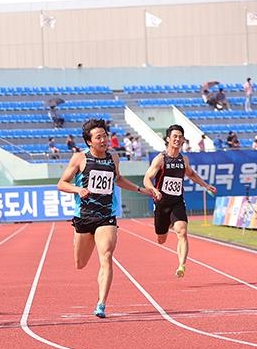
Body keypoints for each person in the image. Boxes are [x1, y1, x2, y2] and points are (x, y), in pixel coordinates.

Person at [56, 119, 153, 319]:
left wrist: (141, 189)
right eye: (98, 137)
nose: (104, 140)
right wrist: (77, 189)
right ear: (89, 141)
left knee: (106, 255)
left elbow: (117, 179)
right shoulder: (79, 158)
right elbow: (61, 183)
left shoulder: (113, 157)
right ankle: (84, 250)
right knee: (80, 263)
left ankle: (101, 303)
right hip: (83, 216)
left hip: (106, 216)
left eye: (105, 136)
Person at [143, 125, 217, 278]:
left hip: (177, 202)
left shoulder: (184, 159)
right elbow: (147, 178)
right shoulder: (161, 159)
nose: (177, 139)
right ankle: (168, 223)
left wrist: (206, 185)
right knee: (161, 239)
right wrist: (154, 190)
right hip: (162, 204)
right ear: (168, 139)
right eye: (174, 136)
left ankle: (181, 265)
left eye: (180, 136)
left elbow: (191, 174)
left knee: (182, 232)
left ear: (183, 140)